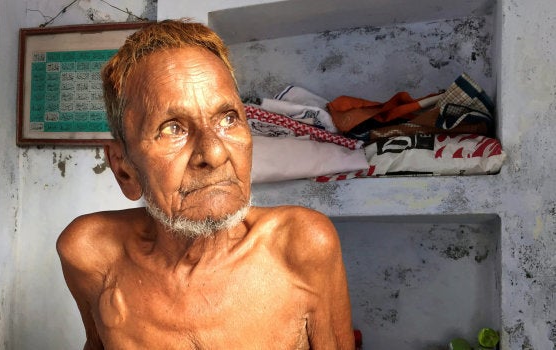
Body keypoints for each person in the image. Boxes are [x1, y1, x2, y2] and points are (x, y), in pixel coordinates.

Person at [57, 19, 355, 350]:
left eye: (228, 118)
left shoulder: (302, 246)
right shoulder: (90, 253)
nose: (213, 153)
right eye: (172, 128)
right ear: (124, 169)